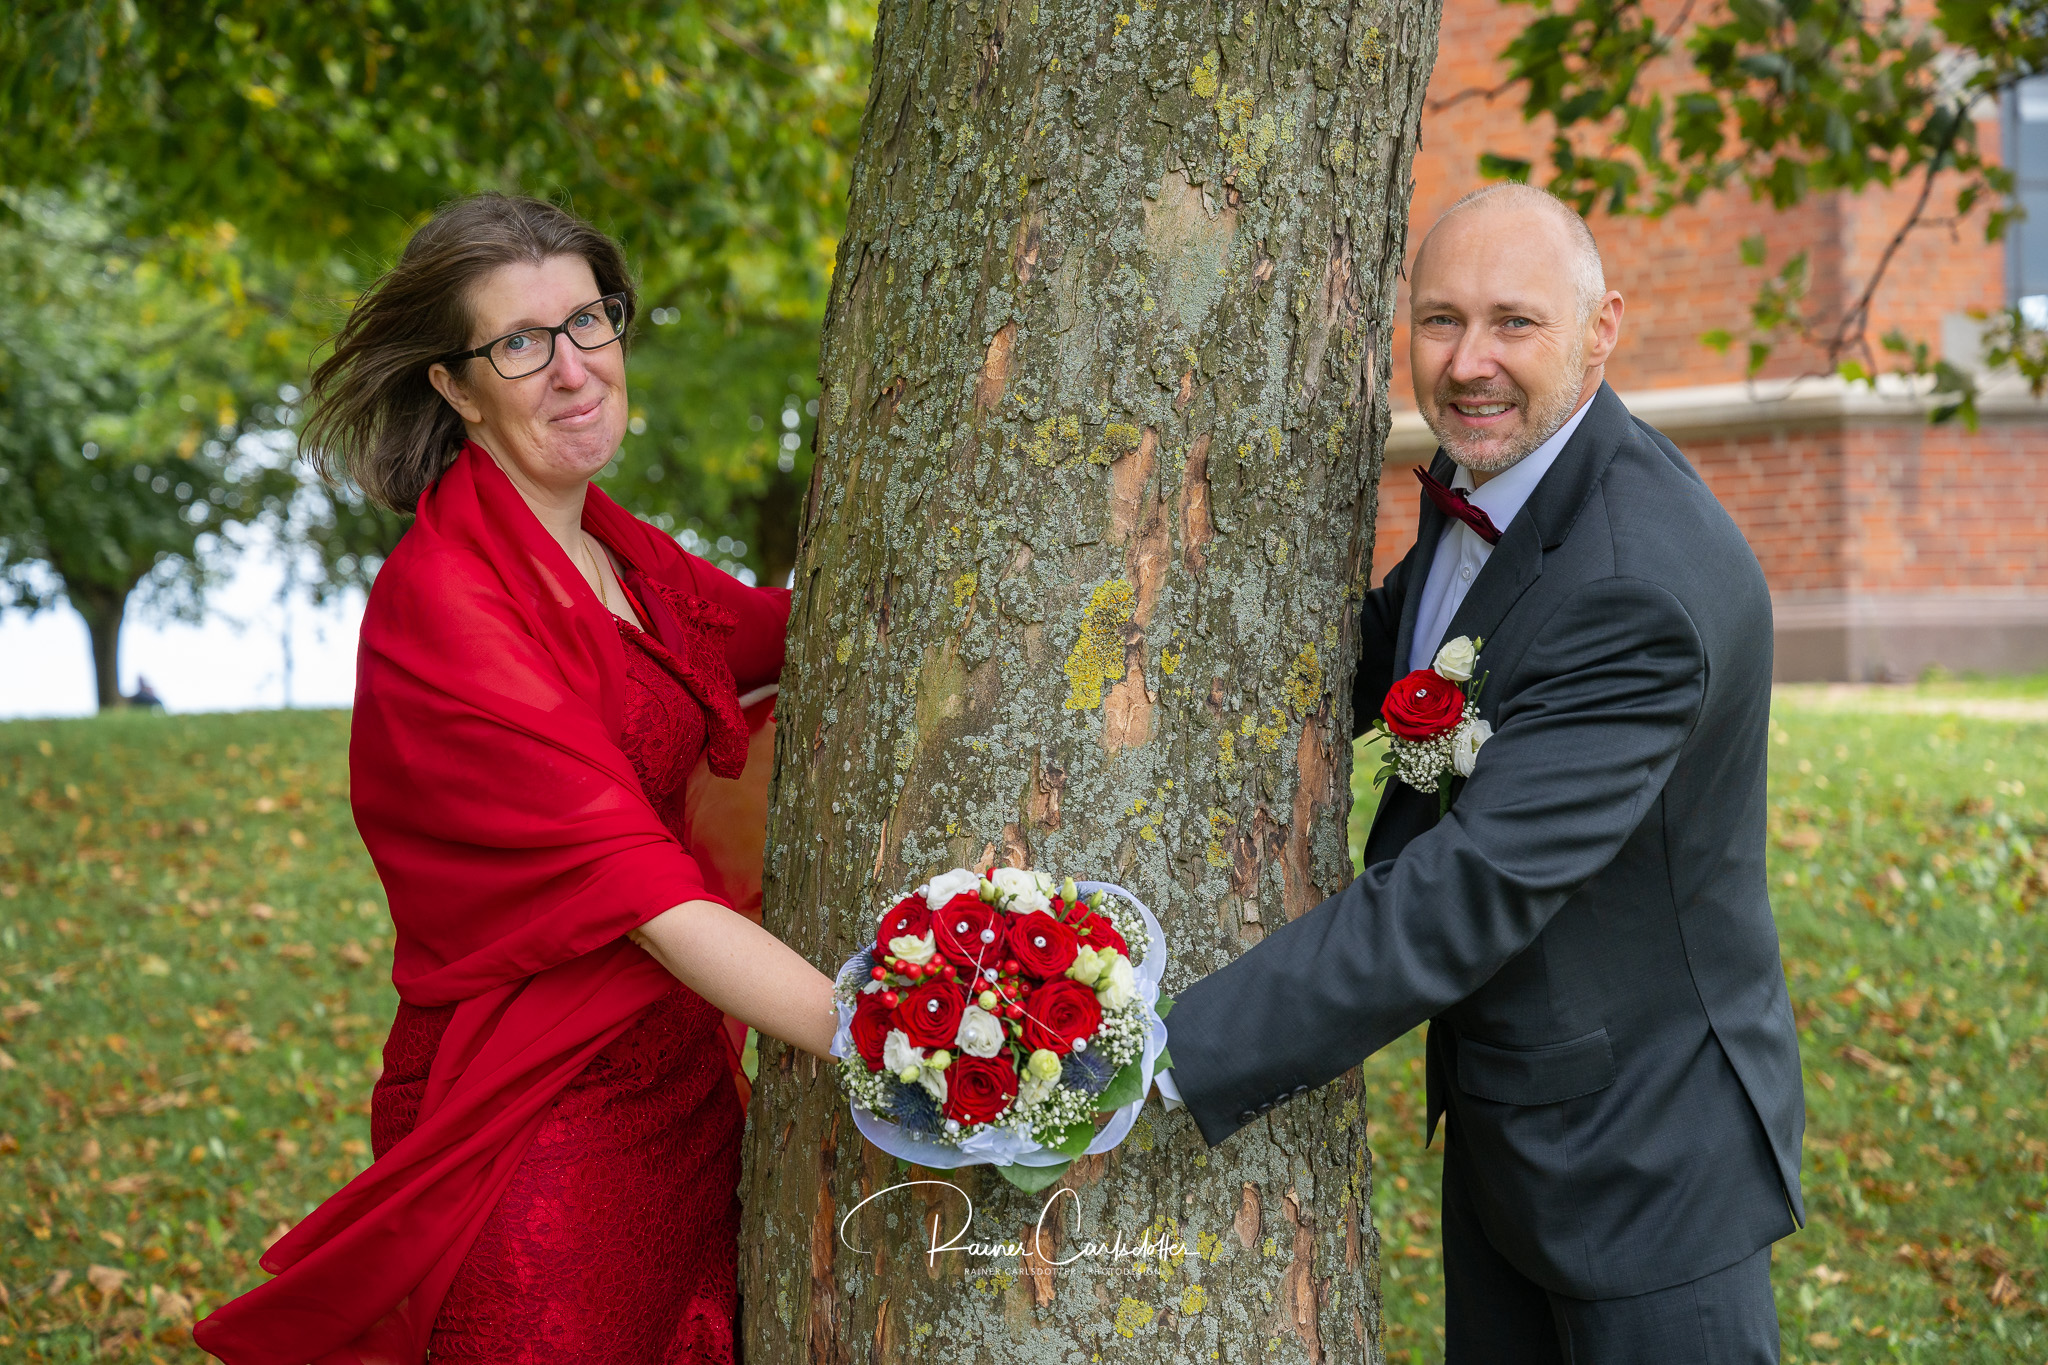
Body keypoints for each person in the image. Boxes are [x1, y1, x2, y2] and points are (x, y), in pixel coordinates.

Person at [1159, 183, 1804, 1363]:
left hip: (1646, 1157)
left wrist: (1167, 1049)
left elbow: (1471, 885)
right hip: (1517, 1116)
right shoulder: (1510, 483)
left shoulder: (1631, 588)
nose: (1467, 363)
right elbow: (1397, 654)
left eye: (1513, 322)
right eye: (1438, 320)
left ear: (1601, 327)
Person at [192, 194, 837, 1365]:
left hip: (685, 1095)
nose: (574, 369)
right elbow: (645, 891)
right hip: (540, 1119)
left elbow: (771, 633)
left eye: (589, 322)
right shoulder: (446, 602)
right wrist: (898, 1042)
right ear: (454, 385)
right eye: (520, 344)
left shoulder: (615, 550)